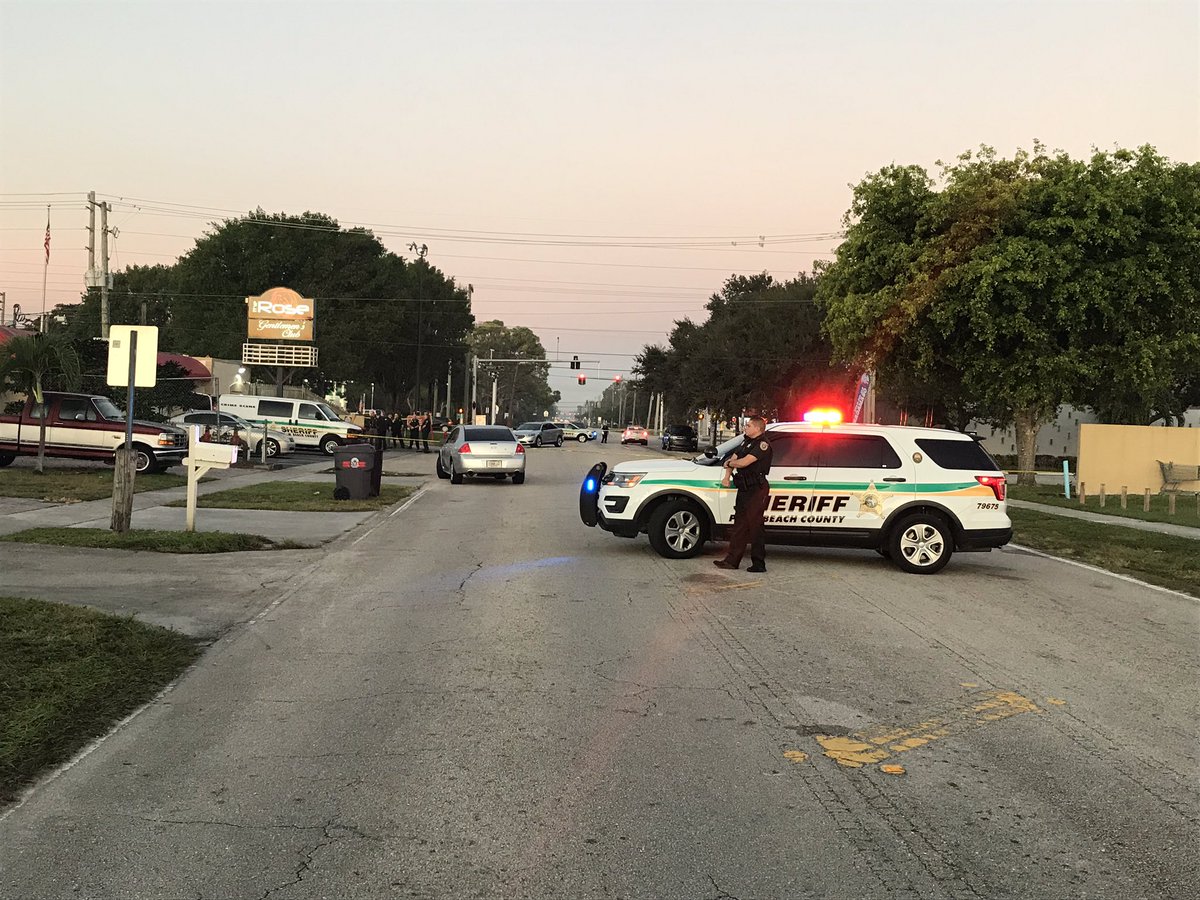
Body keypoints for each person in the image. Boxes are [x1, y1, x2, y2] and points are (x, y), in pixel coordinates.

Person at [714, 415, 773, 573]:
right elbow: (733, 458)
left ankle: (759, 563)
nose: (745, 428)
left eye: (748, 426)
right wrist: (727, 475)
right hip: (744, 488)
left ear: (757, 428)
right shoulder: (746, 441)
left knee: (756, 526)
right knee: (739, 525)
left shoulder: (762, 444)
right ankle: (732, 560)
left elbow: (744, 462)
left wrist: (729, 464)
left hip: (756, 489)